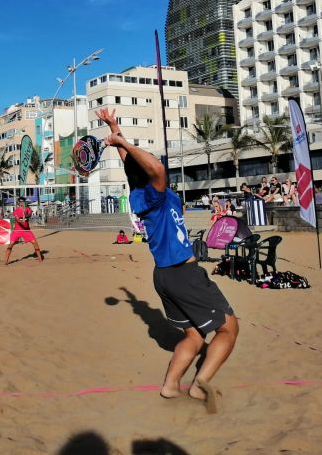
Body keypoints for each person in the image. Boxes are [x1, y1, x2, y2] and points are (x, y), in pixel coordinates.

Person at [96, 107, 237, 413]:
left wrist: (115, 129)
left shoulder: (141, 189)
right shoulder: (152, 193)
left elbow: (132, 165)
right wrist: (123, 143)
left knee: (194, 335)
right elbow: (155, 169)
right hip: (183, 274)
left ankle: (170, 387)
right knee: (229, 328)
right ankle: (200, 384)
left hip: (165, 276)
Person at [4, 197, 43, 265]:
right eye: (21, 201)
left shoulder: (27, 209)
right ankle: (6, 261)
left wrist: (26, 216)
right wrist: (21, 220)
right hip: (17, 230)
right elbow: (18, 220)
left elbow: (30, 214)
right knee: (11, 244)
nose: (22, 202)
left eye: (23, 201)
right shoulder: (16, 211)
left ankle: (40, 259)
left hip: (26, 230)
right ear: (18, 202)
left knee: (35, 242)